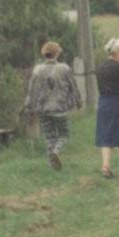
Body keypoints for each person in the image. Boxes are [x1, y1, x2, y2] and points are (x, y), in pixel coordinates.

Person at [23, 41, 82, 170]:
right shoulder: (64, 68)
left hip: (43, 109)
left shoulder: (37, 70)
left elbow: (32, 90)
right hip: (60, 108)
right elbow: (73, 87)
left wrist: (29, 107)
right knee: (64, 135)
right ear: (57, 53)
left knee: (49, 137)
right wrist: (78, 101)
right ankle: (56, 151)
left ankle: (52, 165)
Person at [95, 37, 119, 178]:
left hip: (103, 103)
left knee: (106, 134)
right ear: (117, 52)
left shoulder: (100, 67)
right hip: (118, 103)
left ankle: (106, 165)